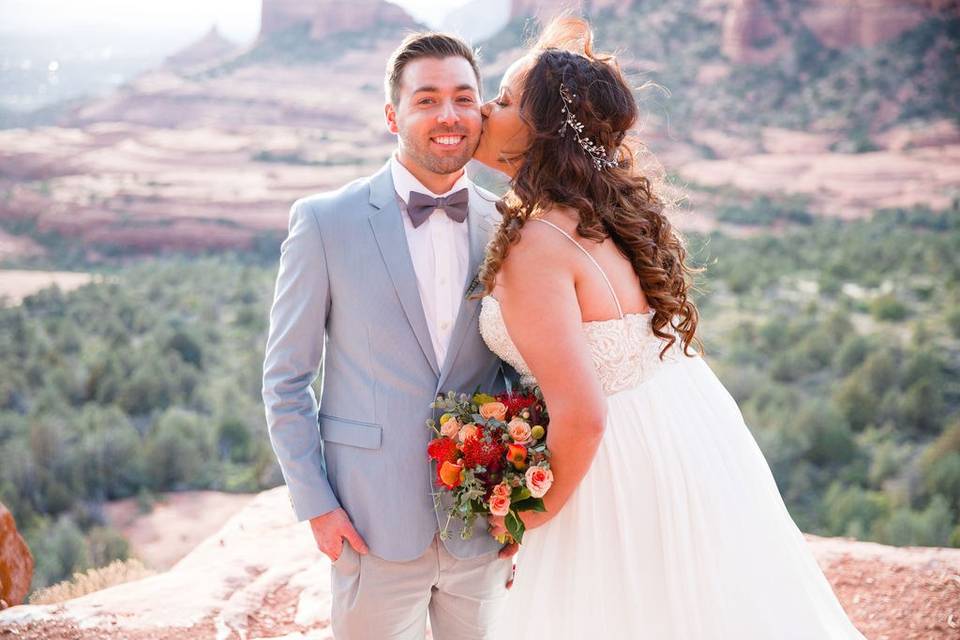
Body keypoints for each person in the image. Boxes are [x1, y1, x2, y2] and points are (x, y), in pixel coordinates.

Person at [472, 16, 868, 639]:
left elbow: (583, 415)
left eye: (502, 100)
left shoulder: (537, 246)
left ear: (541, 129)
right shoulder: (602, 212)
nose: (484, 111)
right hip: (678, 428)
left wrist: (526, 514)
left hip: (607, 464)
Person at [261, 32, 516, 640]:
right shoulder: (323, 222)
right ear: (391, 115)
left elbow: (523, 372)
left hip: (480, 524)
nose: (448, 116)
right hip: (369, 523)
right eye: (426, 100)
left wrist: (519, 499)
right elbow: (287, 378)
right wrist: (316, 504)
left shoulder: (508, 225)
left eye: (462, 98)